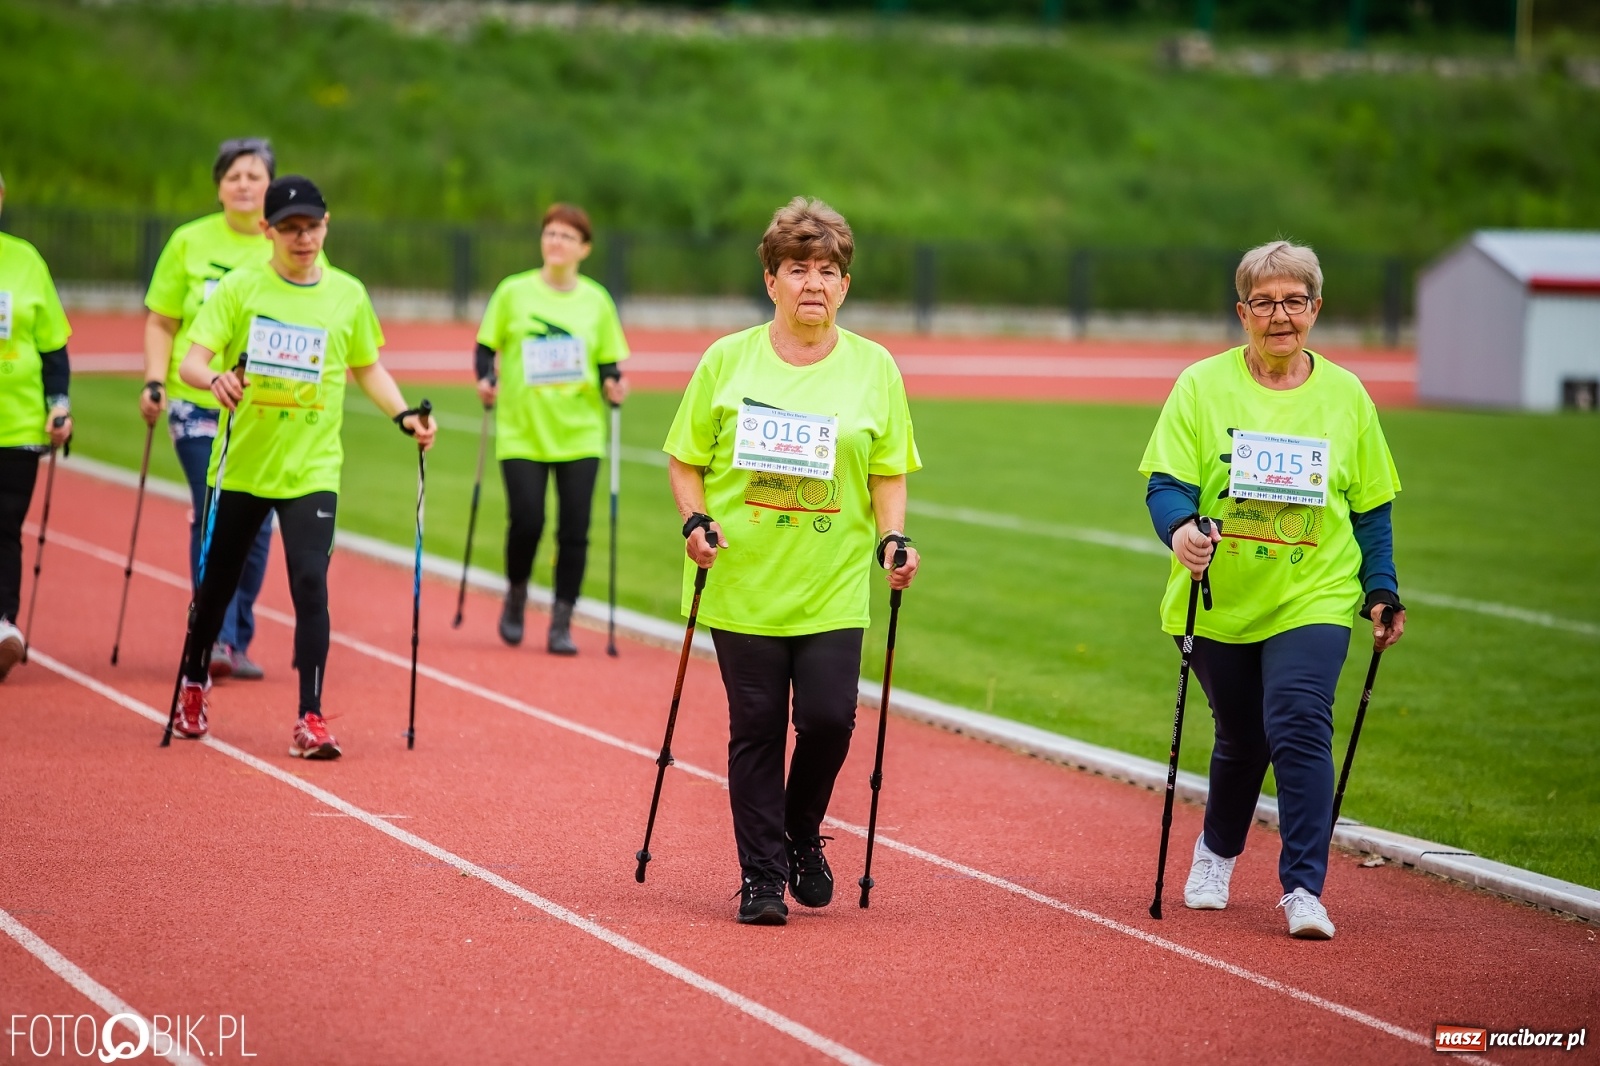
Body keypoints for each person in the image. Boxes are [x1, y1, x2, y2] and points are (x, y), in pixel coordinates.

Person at [664, 198, 921, 925]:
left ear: (845, 285)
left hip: (831, 582)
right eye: (799, 269)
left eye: (829, 271)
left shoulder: (874, 368)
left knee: (832, 721)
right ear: (771, 279)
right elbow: (686, 461)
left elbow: (888, 471)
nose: (815, 283)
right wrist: (694, 518)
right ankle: (762, 877)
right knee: (756, 726)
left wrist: (891, 539)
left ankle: (801, 830)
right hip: (740, 577)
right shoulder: (727, 360)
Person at [1138, 240, 1404, 940]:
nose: (1279, 315)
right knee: (1244, 736)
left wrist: (1380, 587)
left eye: (1293, 301)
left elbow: (1372, 506)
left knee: (1297, 722)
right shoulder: (1201, 386)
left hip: (1312, 593)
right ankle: (1217, 852)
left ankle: (1303, 889)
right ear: (1242, 312)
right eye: (1264, 302)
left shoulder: (1346, 396)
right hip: (1218, 599)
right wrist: (1182, 533)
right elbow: (1166, 484)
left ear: (1315, 309)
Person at [169, 175, 436, 757]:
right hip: (241, 466)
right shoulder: (240, 288)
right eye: (289, 228)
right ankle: (194, 682)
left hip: (312, 469)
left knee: (311, 585)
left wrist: (403, 416)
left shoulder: (348, 294)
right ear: (268, 231)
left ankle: (310, 717)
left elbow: (367, 365)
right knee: (215, 589)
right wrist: (214, 379)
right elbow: (191, 362)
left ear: (326, 225)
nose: (302, 237)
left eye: (311, 226)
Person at [142, 138, 300, 681]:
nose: (244, 184)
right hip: (198, 403)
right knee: (214, 507)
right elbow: (162, 320)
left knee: (257, 528)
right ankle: (214, 636)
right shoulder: (188, 242)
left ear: (270, 188)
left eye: (255, 176)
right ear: (218, 185)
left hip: (265, 411)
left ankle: (237, 635)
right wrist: (154, 379)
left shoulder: (288, 244)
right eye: (234, 175)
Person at [475, 203, 629, 655]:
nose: (555, 241)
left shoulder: (596, 300)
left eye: (566, 236)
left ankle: (562, 618)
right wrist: (486, 379)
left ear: (584, 248)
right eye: (550, 233)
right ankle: (517, 593)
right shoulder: (513, 292)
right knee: (527, 521)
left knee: (574, 530)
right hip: (522, 428)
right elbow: (486, 348)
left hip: (579, 432)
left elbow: (609, 364)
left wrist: (614, 385)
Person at [0, 171, 73, 680]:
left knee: (5, 530)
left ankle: (3, 626)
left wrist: (59, 404)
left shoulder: (25, 260)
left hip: (18, 426)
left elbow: (53, 346)